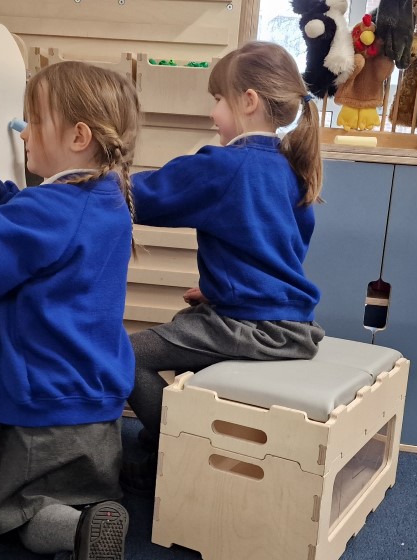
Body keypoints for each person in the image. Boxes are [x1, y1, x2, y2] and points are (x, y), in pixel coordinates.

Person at [0, 60, 139, 559]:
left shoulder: (46, 212)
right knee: (84, 491)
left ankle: (75, 534)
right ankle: (93, 512)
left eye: (35, 123)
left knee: (21, 510)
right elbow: (42, 236)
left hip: (44, 409)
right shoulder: (109, 197)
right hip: (98, 408)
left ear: (78, 136)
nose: (24, 135)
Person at [122, 41, 326, 494]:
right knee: (184, 323)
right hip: (294, 326)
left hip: (250, 326)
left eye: (217, 99)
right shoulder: (290, 168)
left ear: (248, 102)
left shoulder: (224, 165)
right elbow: (285, 249)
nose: (212, 112)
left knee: (122, 355)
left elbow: (141, 196)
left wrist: (79, 184)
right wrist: (223, 291)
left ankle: (170, 450)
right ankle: (179, 434)